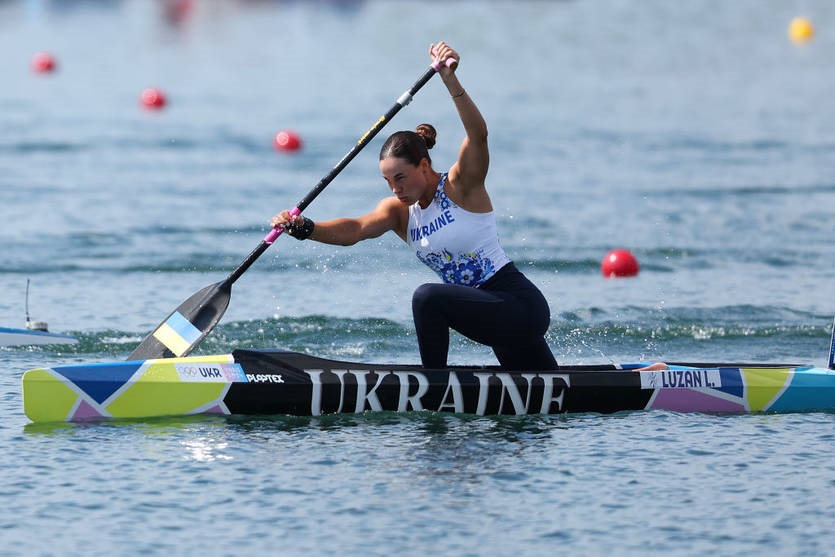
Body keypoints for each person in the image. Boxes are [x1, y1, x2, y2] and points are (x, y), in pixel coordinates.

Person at [270, 41, 558, 371]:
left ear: (423, 166)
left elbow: (478, 135)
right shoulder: (400, 212)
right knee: (550, 393)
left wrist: (450, 80)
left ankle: (432, 384)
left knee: (427, 298)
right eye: (388, 182)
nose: (396, 189)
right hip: (489, 317)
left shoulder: (461, 185)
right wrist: (304, 227)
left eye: (401, 178)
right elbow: (355, 229)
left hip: (519, 306)